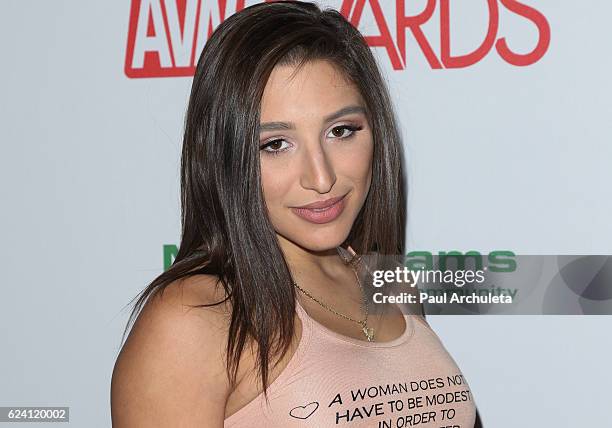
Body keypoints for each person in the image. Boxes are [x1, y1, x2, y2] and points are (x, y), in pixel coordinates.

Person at [111, 2, 481, 427]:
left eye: (340, 131)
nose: (321, 177)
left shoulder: (392, 285)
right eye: (276, 144)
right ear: (224, 157)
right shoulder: (194, 319)